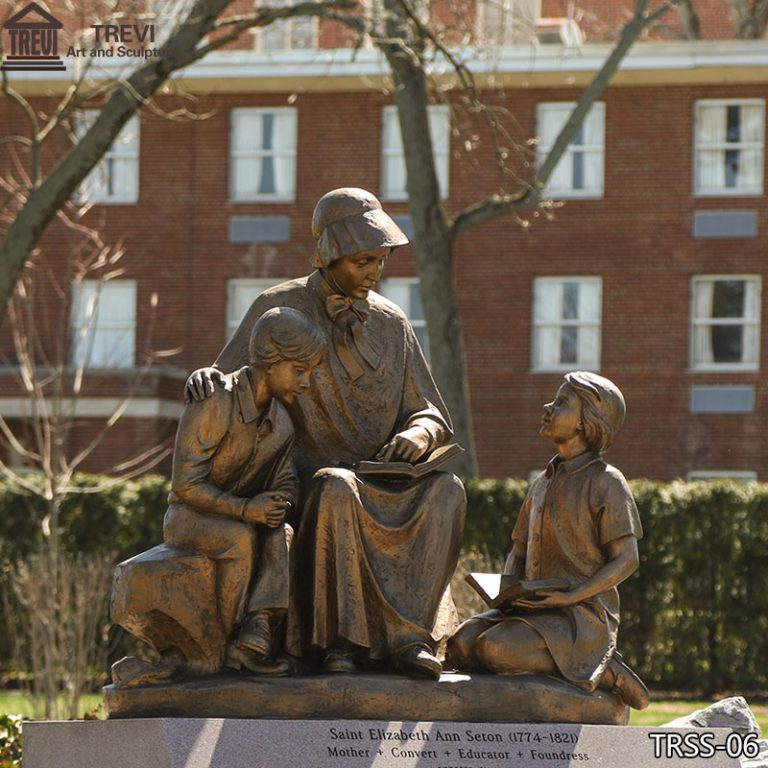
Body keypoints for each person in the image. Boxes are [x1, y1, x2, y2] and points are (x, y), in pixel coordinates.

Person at [186, 188, 466, 679]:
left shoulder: (392, 322)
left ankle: (410, 638)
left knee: (447, 492)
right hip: (310, 480)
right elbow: (236, 380)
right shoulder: (279, 305)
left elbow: (430, 412)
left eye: (380, 261)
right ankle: (341, 643)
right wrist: (206, 377)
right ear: (330, 252)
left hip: (385, 475)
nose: (375, 272)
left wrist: (419, 436)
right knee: (337, 486)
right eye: (363, 261)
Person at [112, 307, 326, 687]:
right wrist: (246, 509)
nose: (306, 382)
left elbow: (287, 479)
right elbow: (185, 486)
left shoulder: (282, 423)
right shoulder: (215, 400)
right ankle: (222, 650)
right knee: (239, 539)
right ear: (269, 361)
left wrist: (278, 503)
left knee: (281, 533)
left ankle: (253, 638)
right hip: (189, 516)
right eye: (299, 369)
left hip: (242, 516)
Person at [446, 371, 649, 709]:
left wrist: (572, 595)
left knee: (494, 649)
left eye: (561, 403)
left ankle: (603, 667)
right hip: (533, 607)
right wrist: (506, 593)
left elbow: (627, 558)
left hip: (579, 615)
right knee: (460, 645)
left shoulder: (606, 482)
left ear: (586, 422)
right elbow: (519, 549)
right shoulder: (542, 481)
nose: (547, 407)